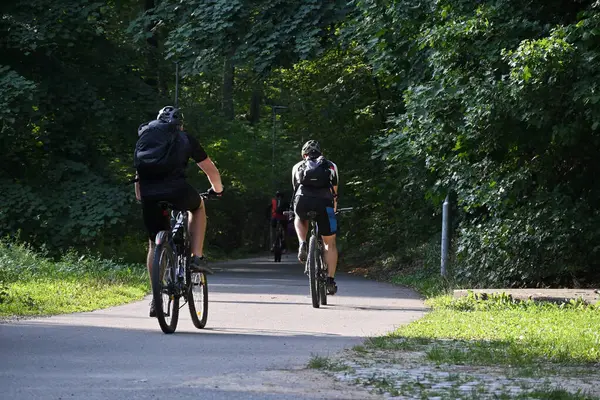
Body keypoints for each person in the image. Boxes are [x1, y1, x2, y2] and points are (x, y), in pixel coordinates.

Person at [134, 106, 224, 317]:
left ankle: (157, 299)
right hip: (177, 190)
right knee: (198, 206)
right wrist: (218, 190)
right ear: (180, 124)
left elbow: (139, 170)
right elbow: (210, 168)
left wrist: (142, 195)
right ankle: (197, 257)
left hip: (149, 194)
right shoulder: (185, 138)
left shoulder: (147, 135)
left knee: (154, 242)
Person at [291, 140, 339, 294]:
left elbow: (295, 190)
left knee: (299, 216)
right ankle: (330, 280)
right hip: (324, 203)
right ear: (320, 153)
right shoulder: (330, 166)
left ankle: (302, 243)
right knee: (329, 244)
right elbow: (334, 193)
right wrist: (334, 210)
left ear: (304, 154)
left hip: (303, 201)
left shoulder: (298, 167)